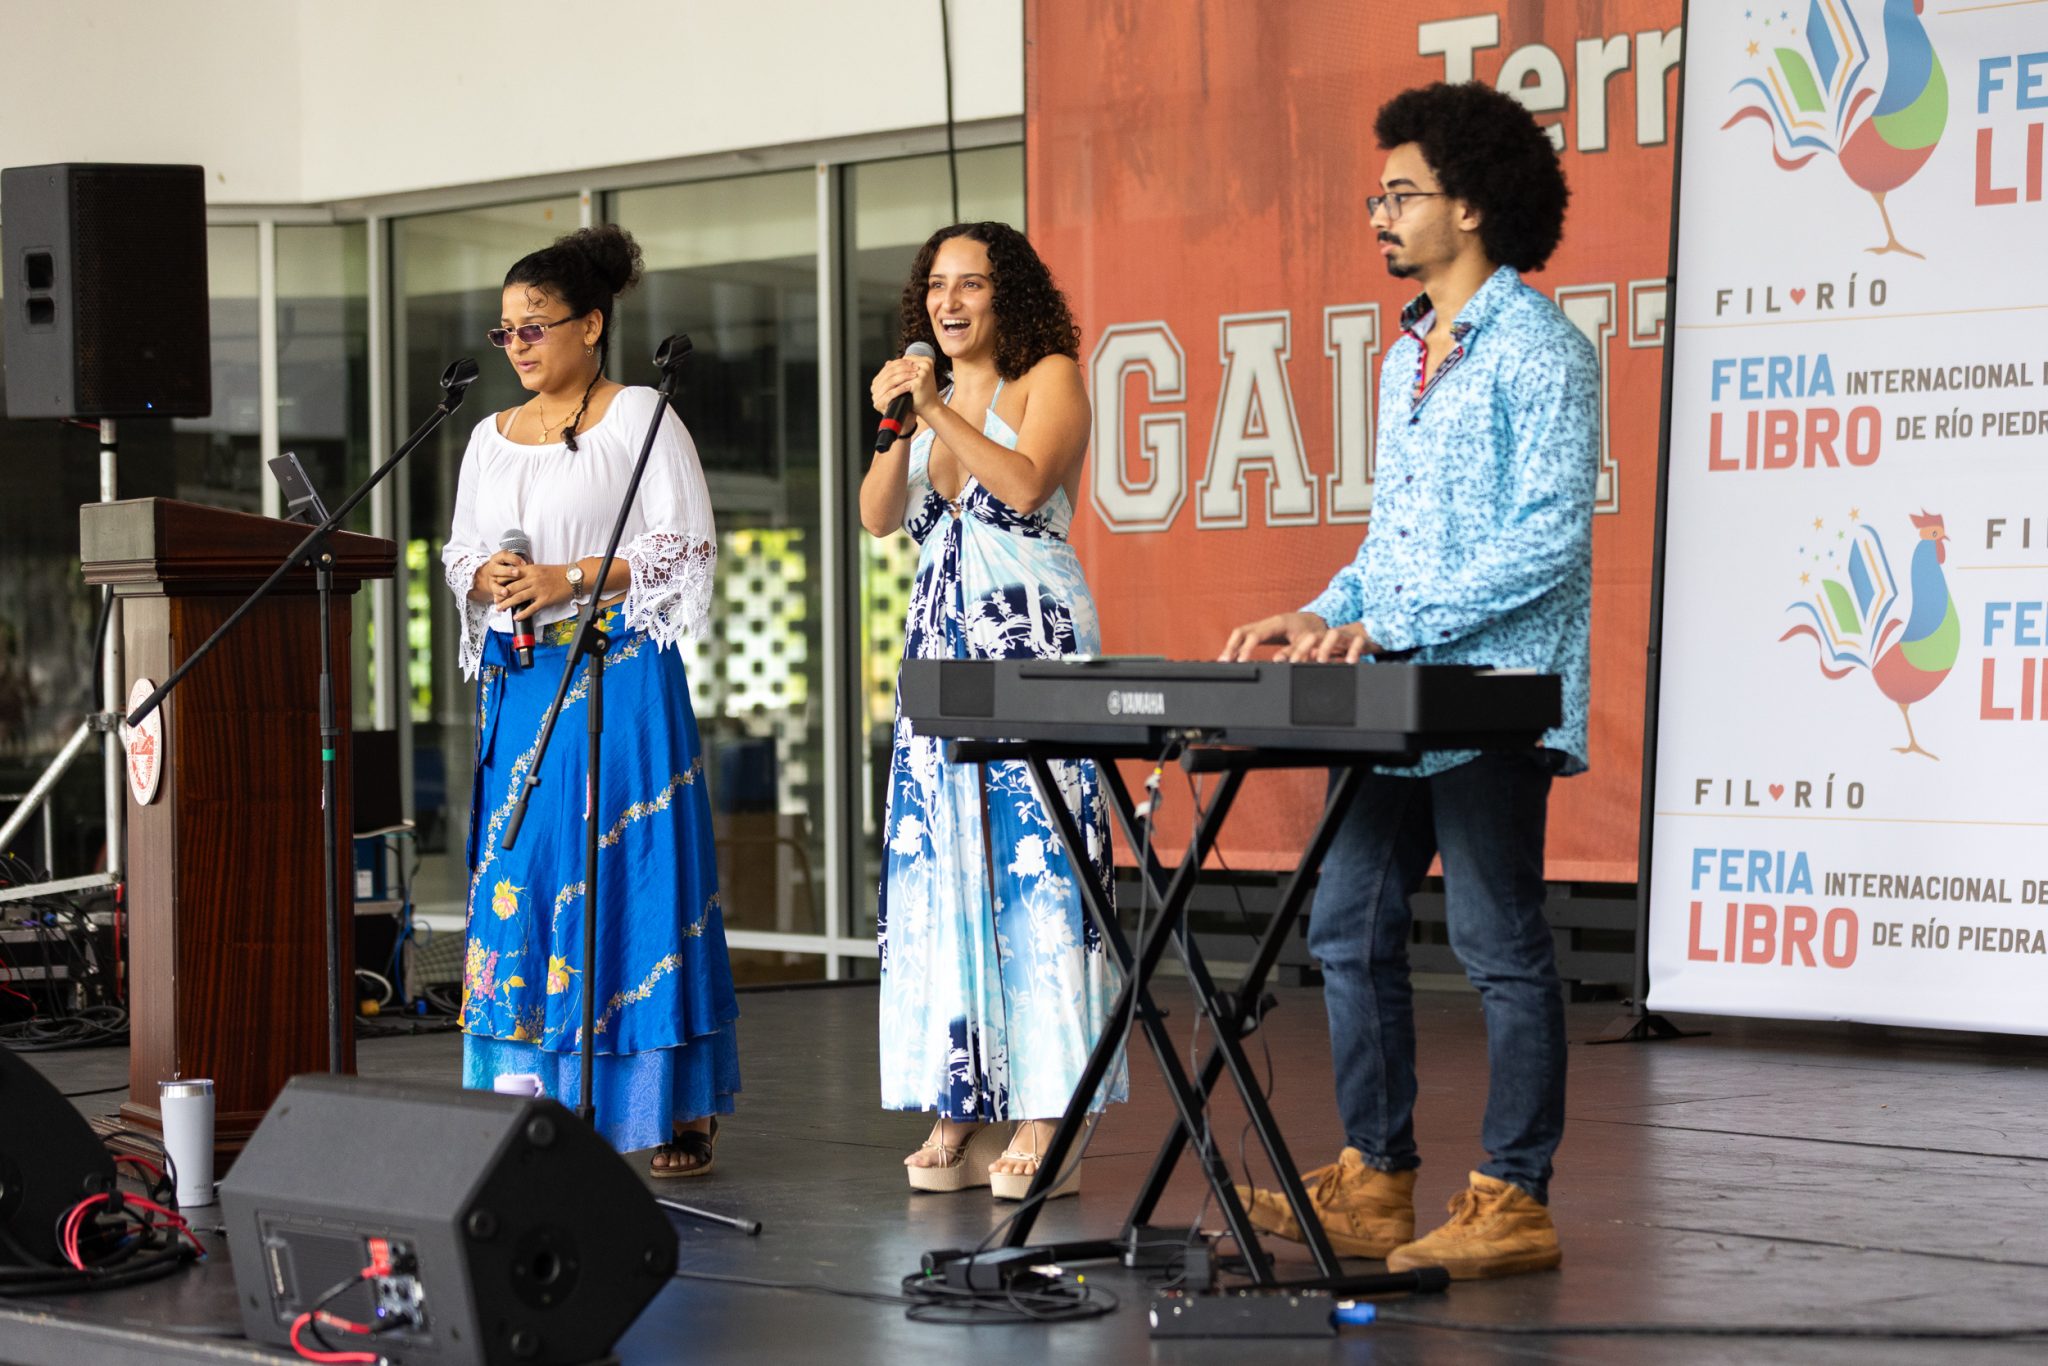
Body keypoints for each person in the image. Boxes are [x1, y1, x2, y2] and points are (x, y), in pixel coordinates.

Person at [1223, 82, 1597, 1279]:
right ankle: (1375, 1181)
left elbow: (1547, 542)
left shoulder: (1542, 350)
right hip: (1392, 694)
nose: (1379, 213)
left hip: (1488, 694)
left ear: (1470, 205)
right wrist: (1329, 612)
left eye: (1400, 193)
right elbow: (1395, 542)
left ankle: (1514, 1196)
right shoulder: (1404, 355)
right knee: (1345, 925)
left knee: (1495, 944)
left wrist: (1387, 624)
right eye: (1376, 195)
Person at [442, 224, 738, 1178]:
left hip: (619, 672)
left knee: (630, 874)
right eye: (506, 331)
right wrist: (484, 575)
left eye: (535, 326)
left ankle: (670, 1104)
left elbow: (683, 544)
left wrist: (568, 577)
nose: (518, 345)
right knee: (522, 878)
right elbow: (459, 551)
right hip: (525, 678)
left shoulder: (640, 415)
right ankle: (525, 1097)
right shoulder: (488, 438)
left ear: (592, 325)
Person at [862, 221, 1125, 1199]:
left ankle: (1053, 1105)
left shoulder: (1048, 376)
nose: (948, 301)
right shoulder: (925, 402)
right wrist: (900, 423)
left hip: (1027, 642)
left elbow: (1022, 484)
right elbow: (876, 516)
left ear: (1006, 293)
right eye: (936, 285)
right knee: (949, 873)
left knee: (1037, 869)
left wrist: (938, 409)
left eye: (969, 283)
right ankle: (961, 1093)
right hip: (939, 657)